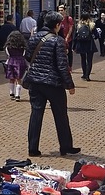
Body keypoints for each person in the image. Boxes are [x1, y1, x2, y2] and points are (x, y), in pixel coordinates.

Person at [24, 11, 79, 158]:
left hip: (35, 82)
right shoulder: (58, 41)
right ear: (57, 25)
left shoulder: (34, 37)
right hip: (53, 83)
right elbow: (62, 65)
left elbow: (28, 56)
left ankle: (32, 148)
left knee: (36, 114)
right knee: (61, 115)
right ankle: (65, 146)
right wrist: (70, 85)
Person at [71, 12, 98, 81]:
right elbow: (97, 35)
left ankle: (84, 74)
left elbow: (75, 36)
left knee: (83, 59)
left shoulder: (79, 25)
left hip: (81, 44)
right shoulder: (92, 25)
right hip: (90, 44)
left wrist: (73, 46)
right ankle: (87, 75)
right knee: (89, 60)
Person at [4, 28, 29, 100]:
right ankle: (18, 95)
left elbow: (8, 55)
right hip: (20, 62)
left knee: (11, 78)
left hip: (11, 62)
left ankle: (12, 93)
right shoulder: (23, 47)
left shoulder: (8, 47)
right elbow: (24, 54)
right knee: (19, 79)